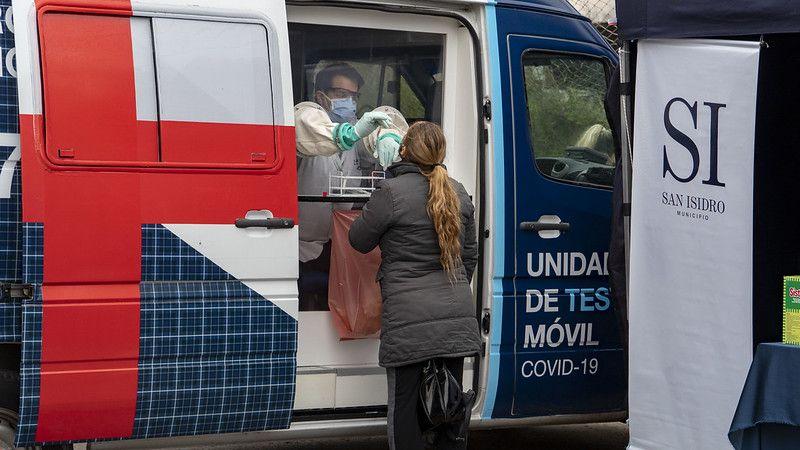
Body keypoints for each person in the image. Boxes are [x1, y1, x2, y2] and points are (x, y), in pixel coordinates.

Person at [349, 122, 481, 450]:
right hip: (455, 317)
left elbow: (359, 240)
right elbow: (470, 256)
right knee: (447, 406)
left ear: (404, 150)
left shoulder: (390, 192)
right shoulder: (459, 191)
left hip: (408, 320)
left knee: (406, 410)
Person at [295, 62, 408, 310]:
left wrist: (388, 136)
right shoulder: (307, 115)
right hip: (299, 249)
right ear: (321, 97)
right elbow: (312, 132)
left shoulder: (359, 127)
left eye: (354, 96)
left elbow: (372, 135)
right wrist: (350, 133)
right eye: (341, 95)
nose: (350, 102)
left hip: (341, 247)